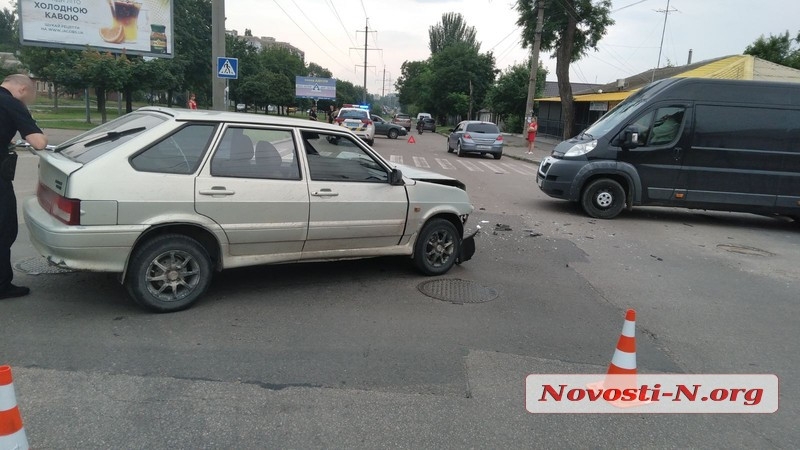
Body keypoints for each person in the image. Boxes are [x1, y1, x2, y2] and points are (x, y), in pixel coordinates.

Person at [0, 74, 48, 299]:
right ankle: (2, 286)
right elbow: (38, 141)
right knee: (4, 229)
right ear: (21, 89)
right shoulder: (11, 103)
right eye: (29, 97)